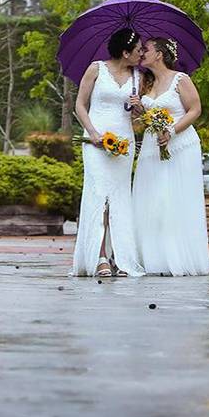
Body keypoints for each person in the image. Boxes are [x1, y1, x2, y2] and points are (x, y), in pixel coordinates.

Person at [130, 38, 209, 276]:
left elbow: (195, 109)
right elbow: (146, 119)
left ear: (160, 54)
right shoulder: (146, 83)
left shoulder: (180, 79)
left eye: (146, 49)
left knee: (174, 200)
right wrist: (139, 111)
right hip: (151, 147)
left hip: (180, 147)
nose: (142, 52)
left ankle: (178, 258)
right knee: (152, 202)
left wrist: (172, 131)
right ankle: (153, 259)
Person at [72, 28, 144, 278]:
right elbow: (80, 105)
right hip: (96, 142)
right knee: (99, 197)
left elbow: (136, 116)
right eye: (138, 50)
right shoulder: (96, 69)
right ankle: (99, 256)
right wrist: (92, 132)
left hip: (124, 143)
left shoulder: (138, 76)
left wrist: (139, 108)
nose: (142, 54)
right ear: (125, 52)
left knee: (120, 198)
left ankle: (120, 257)